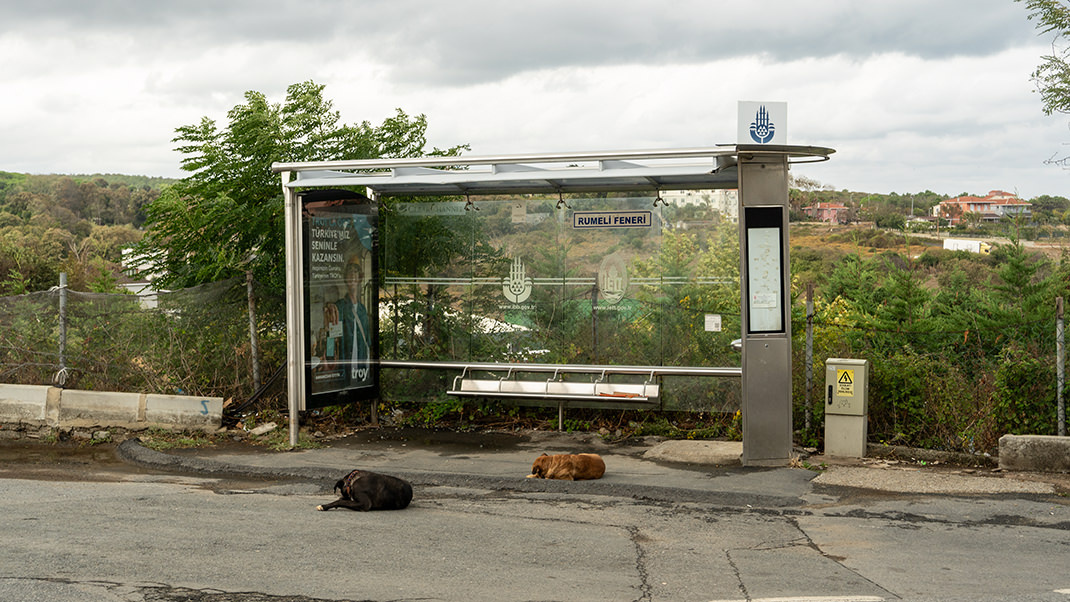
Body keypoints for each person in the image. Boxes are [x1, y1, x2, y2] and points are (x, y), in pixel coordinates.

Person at [323, 250, 371, 387]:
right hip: (344, 370)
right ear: (345, 277)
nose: (353, 275)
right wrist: (330, 360)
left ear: (360, 278)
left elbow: (367, 343)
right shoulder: (339, 307)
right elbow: (331, 336)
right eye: (350, 272)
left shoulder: (362, 310)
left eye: (356, 272)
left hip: (360, 370)